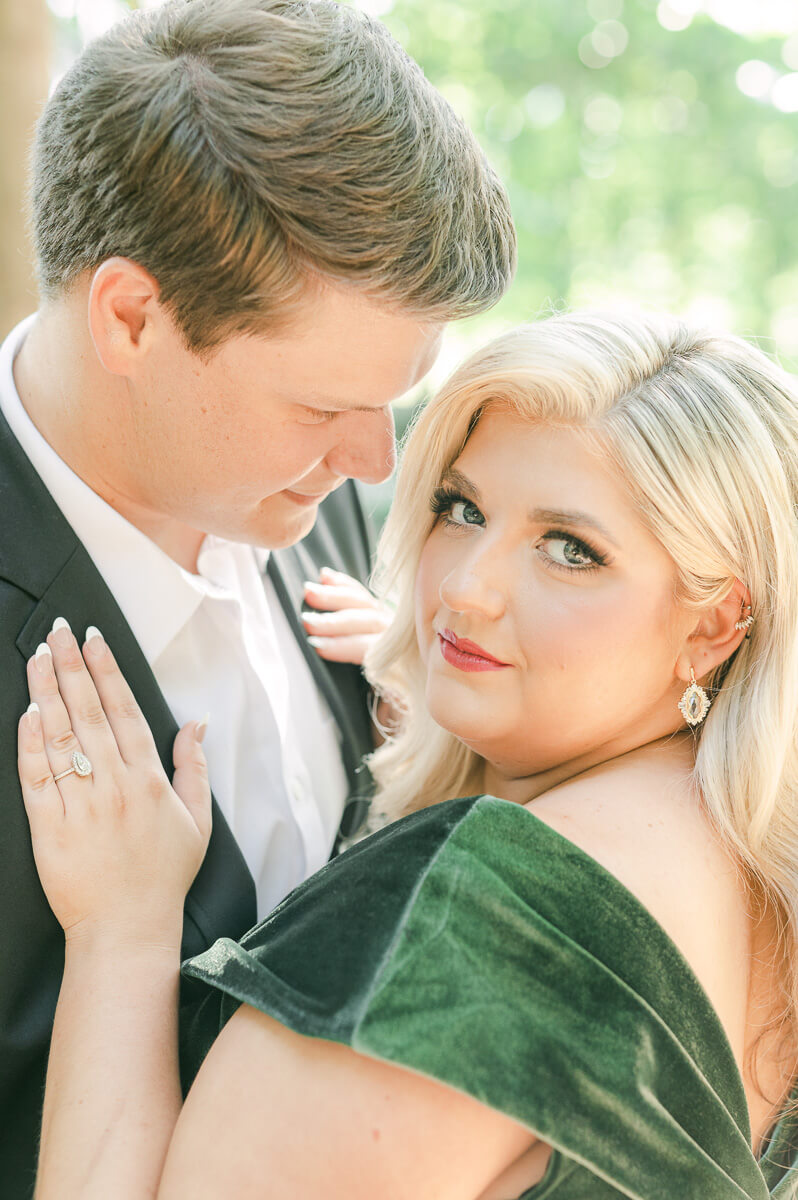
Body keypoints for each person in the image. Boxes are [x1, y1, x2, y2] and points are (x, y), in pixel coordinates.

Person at [18, 309, 798, 1198]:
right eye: (462, 509)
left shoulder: (479, 911)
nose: (465, 588)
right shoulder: (745, 870)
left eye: (570, 551)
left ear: (713, 625)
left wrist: (121, 930)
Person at [0, 0, 515, 1186]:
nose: (379, 466)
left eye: (395, 399)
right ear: (131, 315)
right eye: (322, 408)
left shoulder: (319, 494)